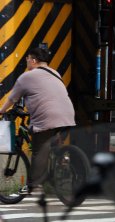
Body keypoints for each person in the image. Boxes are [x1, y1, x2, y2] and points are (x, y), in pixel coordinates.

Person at [0, 47, 75, 188]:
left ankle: (32, 184)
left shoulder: (26, 77)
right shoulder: (55, 73)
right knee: (52, 145)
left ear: (33, 60)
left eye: (27, 59)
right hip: (67, 116)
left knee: (38, 151)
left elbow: (12, 99)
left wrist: (1, 111)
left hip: (48, 117)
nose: (26, 61)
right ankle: (63, 162)